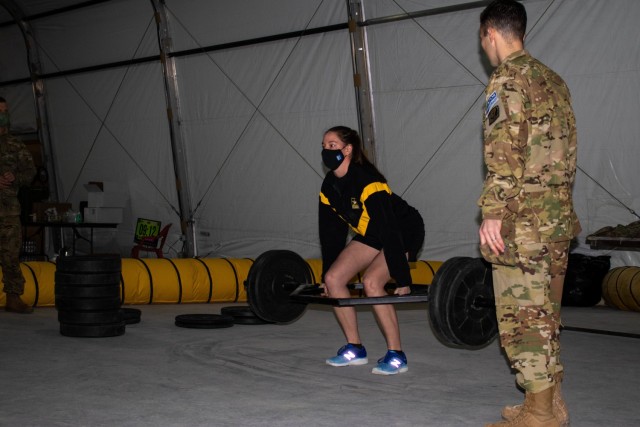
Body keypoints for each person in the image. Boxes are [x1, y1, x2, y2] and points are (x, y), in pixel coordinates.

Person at [476, 1, 581, 426]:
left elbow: (503, 155)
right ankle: (550, 402)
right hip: (556, 222)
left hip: (524, 225)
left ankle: (538, 416)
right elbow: (567, 153)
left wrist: (492, 213)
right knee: (546, 316)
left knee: (523, 320)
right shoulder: (553, 80)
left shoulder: (505, 80)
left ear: (490, 34)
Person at [319, 125, 424, 375]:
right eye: (323, 146)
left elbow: (389, 230)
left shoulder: (368, 180)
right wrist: (325, 276)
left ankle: (397, 355)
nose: (326, 150)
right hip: (371, 232)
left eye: (332, 145)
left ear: (348, 149)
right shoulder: (329, 187)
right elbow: (330, 235)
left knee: (372, 282)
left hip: (402, 230)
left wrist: (402, 277)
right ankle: (355, 348)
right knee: (334, 279)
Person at [0, 96, 37, 314]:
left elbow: (30, 172)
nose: (3, 114)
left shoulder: (15, 144)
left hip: (8, 212)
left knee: (11, 256)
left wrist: (14, 176)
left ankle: (13, 298)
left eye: (5, 110)